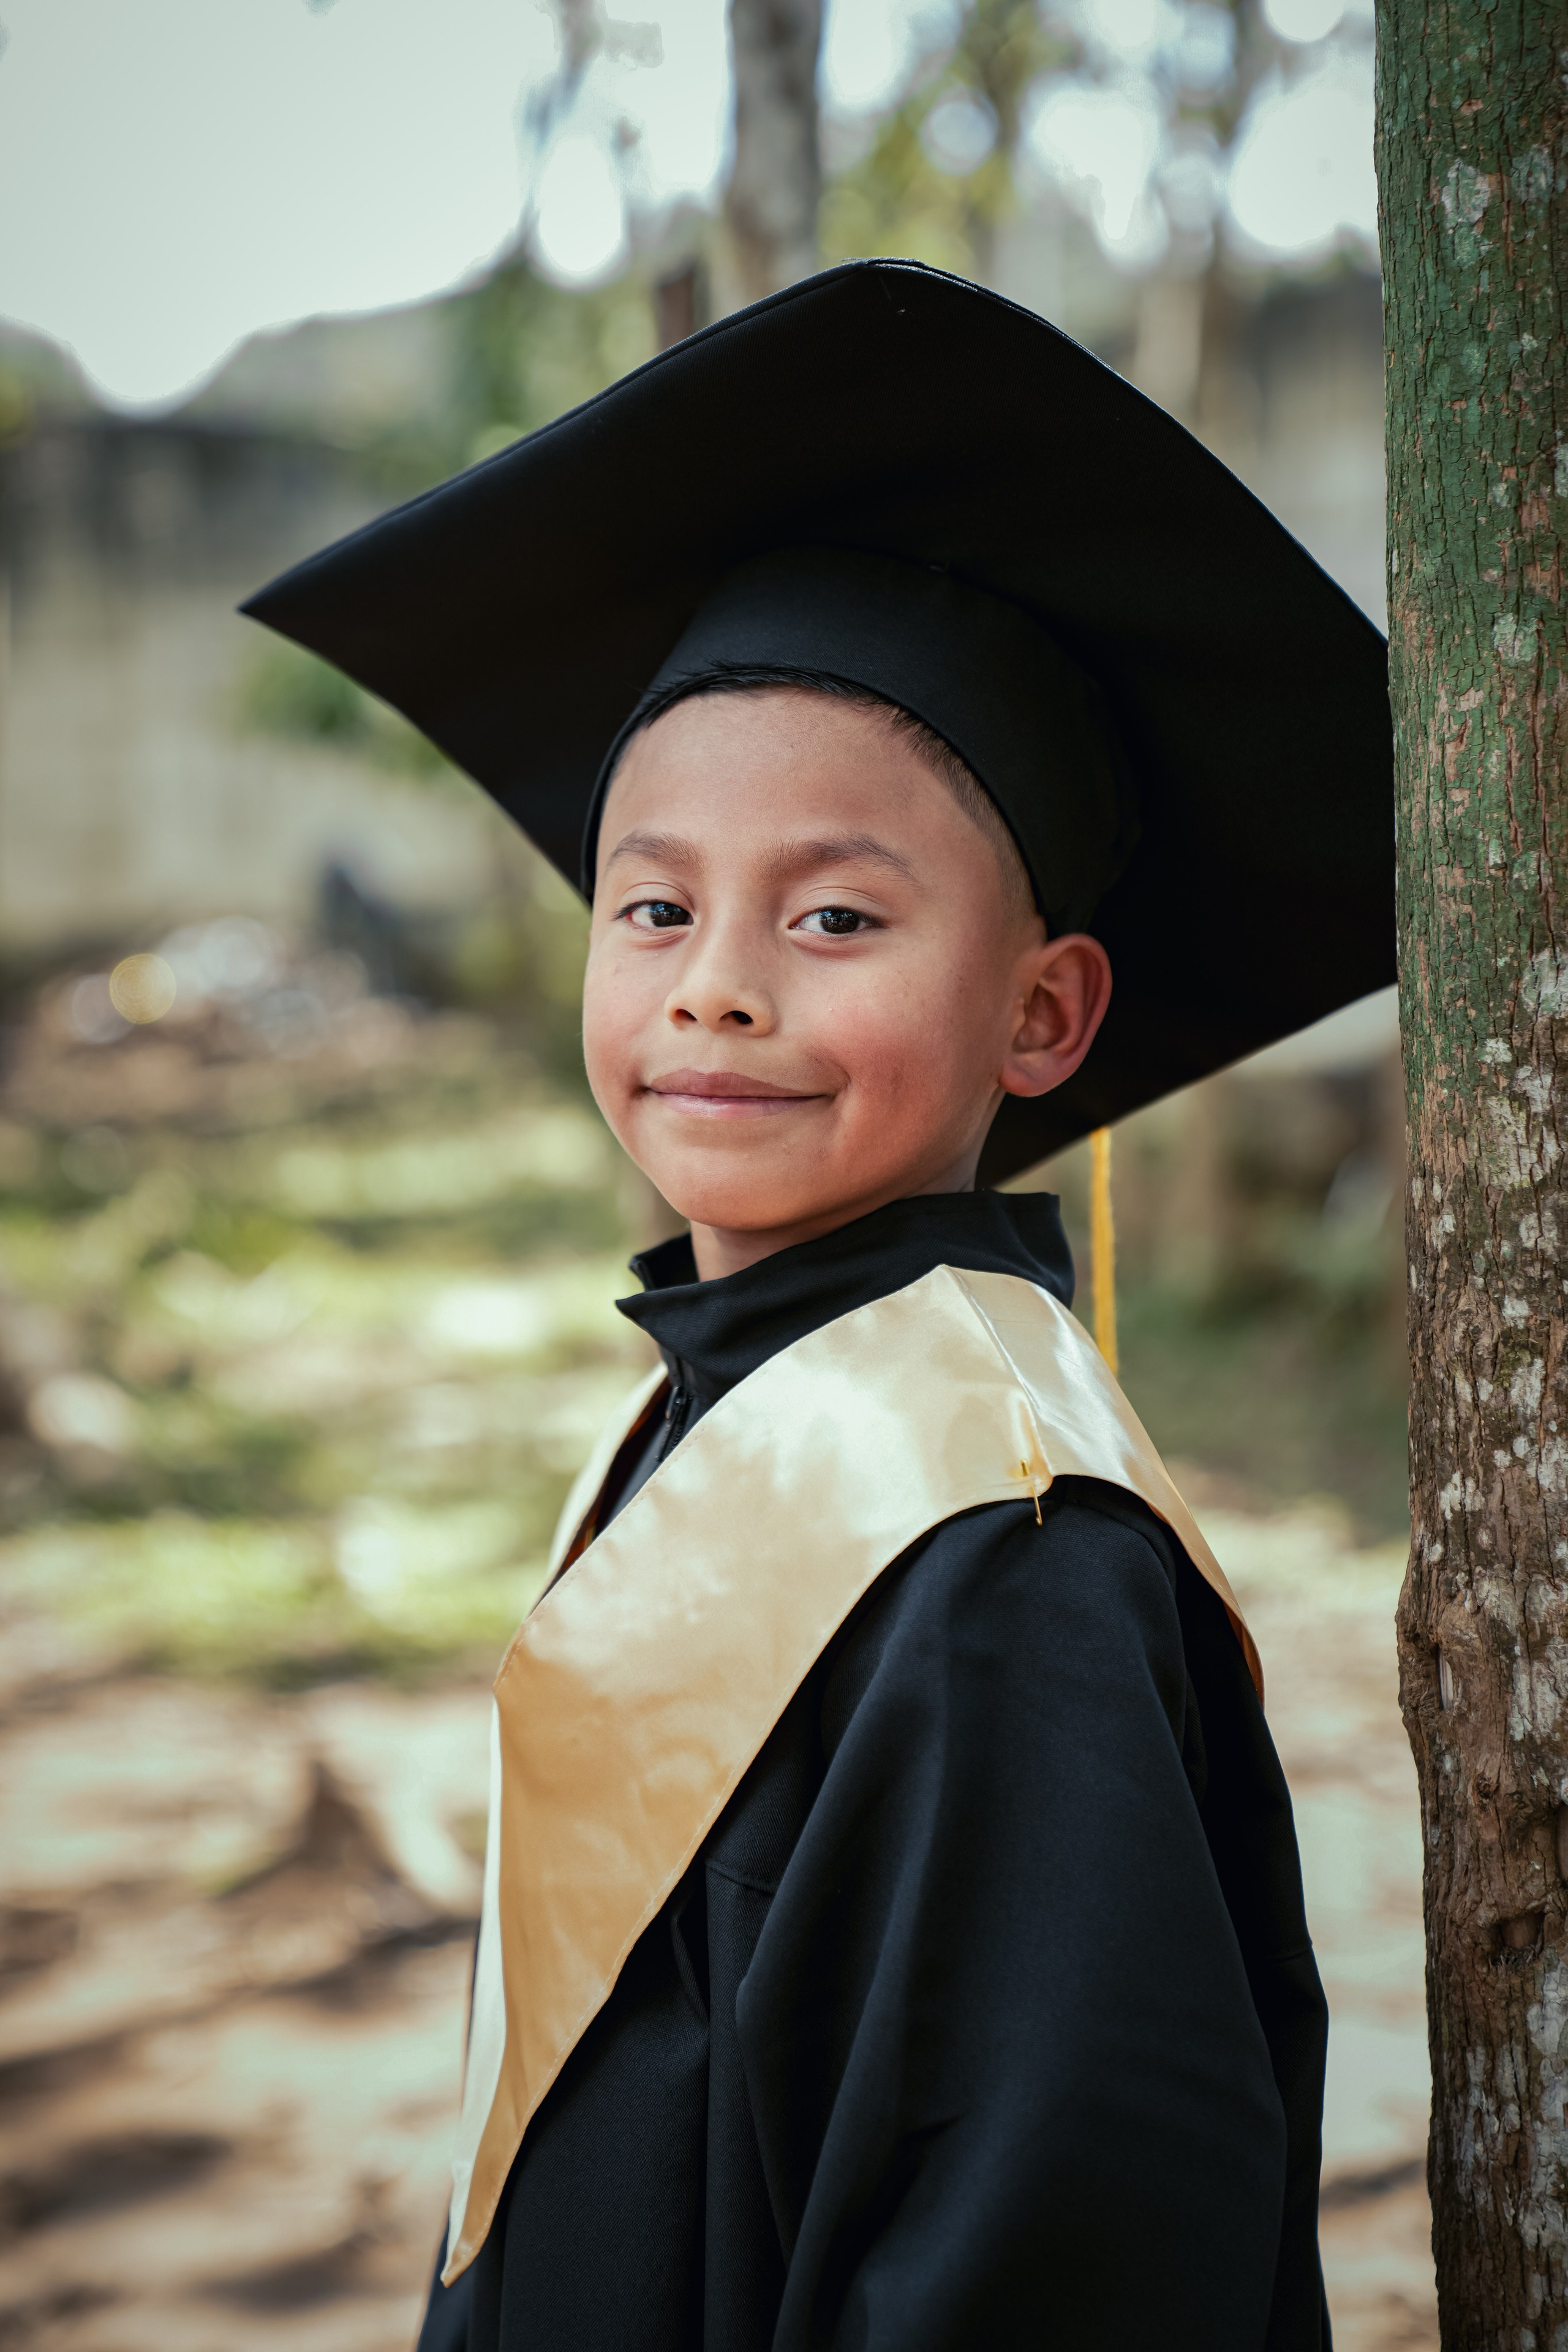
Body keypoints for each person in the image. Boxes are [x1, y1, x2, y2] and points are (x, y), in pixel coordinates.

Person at [243, 260, 1394, 2351]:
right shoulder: (731, 1393)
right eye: (654, 903)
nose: (715, 982)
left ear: (1044, 1014)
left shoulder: (1002, 1564)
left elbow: (1055, 2267)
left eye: (836, 914)